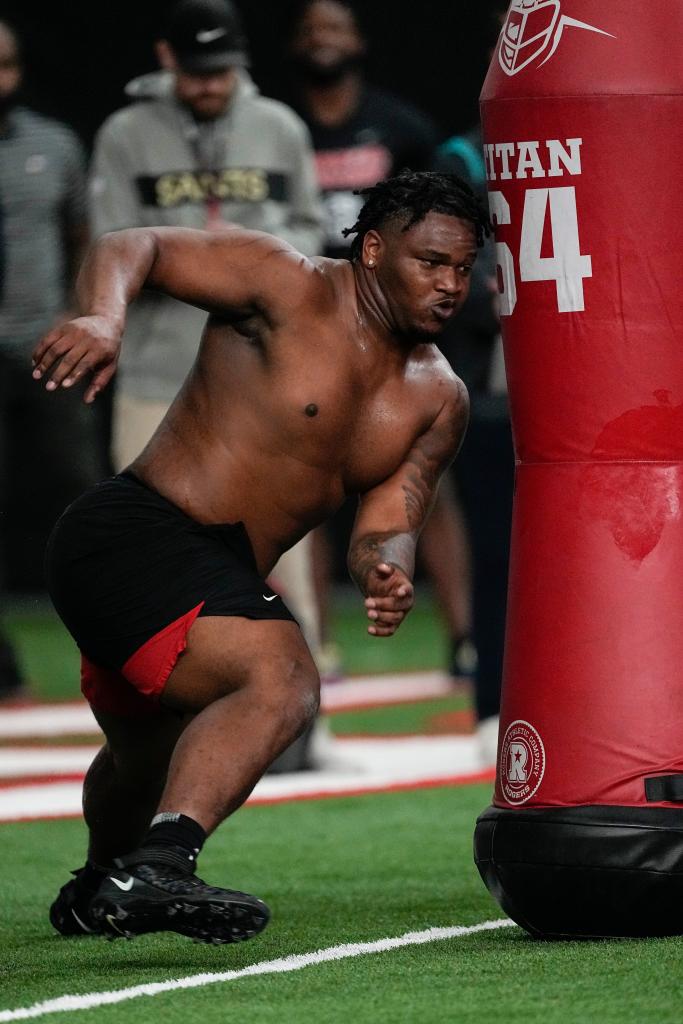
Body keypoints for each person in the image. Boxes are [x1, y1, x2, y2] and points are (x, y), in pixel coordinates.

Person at [34, 169, 489, 944]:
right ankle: (161, 864)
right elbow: (130, 242)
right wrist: (104, 319)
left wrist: (385, 565)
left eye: (462, 268)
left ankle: (96, 886)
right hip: (136, 530)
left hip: (211, 567)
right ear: (373, 249)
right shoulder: (283, 283)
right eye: (430, 262)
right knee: (281, 676)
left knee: (148, 755)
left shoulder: (437, 398)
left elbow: (389, 513)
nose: (449, 285)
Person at [90, 0, 325, 764]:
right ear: (166, 58)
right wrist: (223, 266)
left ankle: (297, 716)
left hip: (259, 377)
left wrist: (231, 266)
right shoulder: (126, 134)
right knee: (140, 548)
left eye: (220, 71)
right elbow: (116, 248)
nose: (208, 87)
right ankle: (147, 728)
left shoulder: (280, 126)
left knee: (281, 541)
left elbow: (314, 237)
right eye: (194, 74)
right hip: (159, 371)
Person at [286, 0, 474, 675]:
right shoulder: (283, 129)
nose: (322, 40)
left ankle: (463, 637)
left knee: (426, 476)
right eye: (309, 29)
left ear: (359, 40)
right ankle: (312, 639)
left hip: (396, 328)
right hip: (312, 326)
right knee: (301, 488)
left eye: (335, 26)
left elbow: (446, 220)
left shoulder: (401, 126)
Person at [0, 19, 106, 698]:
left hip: (45, 347)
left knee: (85, 499)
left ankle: (115, 645)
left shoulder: (54, 144)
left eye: (6, 64)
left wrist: (77, 312)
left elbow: (83, 236)